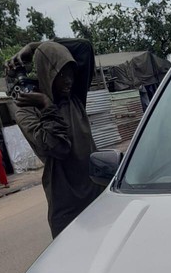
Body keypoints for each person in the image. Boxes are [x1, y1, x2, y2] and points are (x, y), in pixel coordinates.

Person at [6, 39, 102, 238]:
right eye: (61, 73)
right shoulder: (27, 111)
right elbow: (58, 147)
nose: (69, 80)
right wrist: (46, 105)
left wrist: (34, 47)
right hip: (66, 207)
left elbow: (84, 47)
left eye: (71, 73)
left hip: (98, 195)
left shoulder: (75, 98)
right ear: (47, 73)